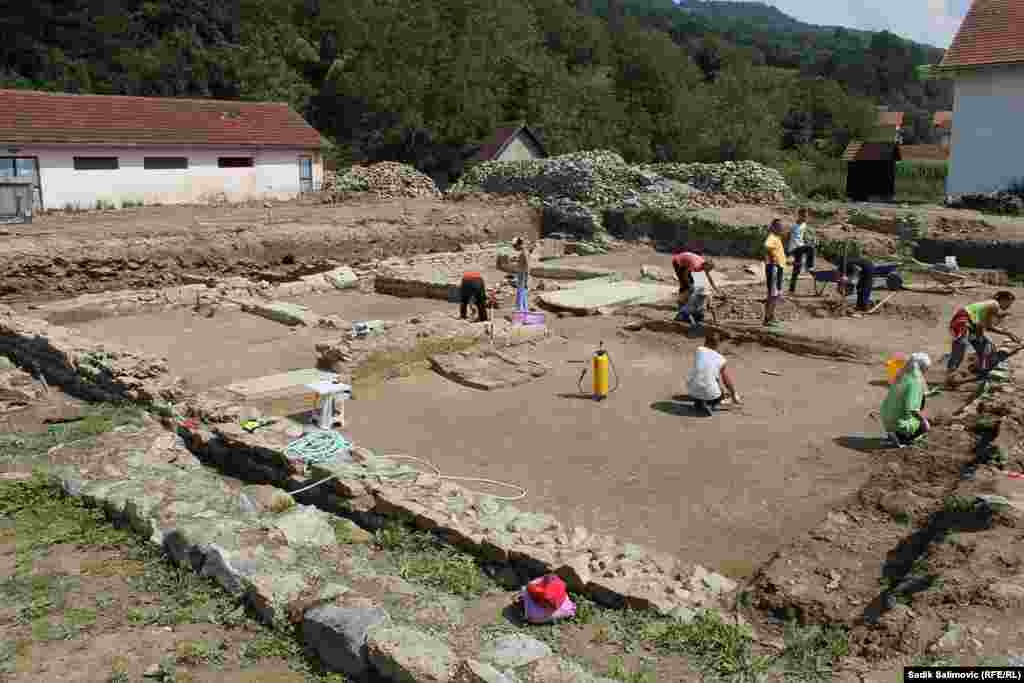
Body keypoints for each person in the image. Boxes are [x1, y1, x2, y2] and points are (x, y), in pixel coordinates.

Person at [946, 291, 1019, 385]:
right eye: (1009, 303)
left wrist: (1001, 321)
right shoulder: (994, 304)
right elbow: (989, 326)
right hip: (963, 319)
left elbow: (985, 325)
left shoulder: (991, 307)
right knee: (961, 344)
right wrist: (1008, 333)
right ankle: (951, 374)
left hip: (971, 324)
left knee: (985, 345)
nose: (1009, 306)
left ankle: (978, 370)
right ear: (1004, 300)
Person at [880, 352, 932, 447]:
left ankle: (895, 432)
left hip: (886, 417)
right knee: (924, 426)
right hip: (897, 422)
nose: (926, 371)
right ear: (922, 367)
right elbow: (912, 409)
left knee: (907, 414)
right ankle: (902, 438)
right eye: (926, 369)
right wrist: (924, 421)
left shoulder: (901, 375)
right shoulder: (915, 381)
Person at [687, 330, 741, 417]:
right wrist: (733, 394)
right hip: (711, 395)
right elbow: (726, 381)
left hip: (691, 391)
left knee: (700, 378)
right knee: (718, 388)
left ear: (705, 341)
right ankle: (714, 402)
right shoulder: (721, 359)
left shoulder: (699, 350)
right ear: (718, 344)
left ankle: (700, 401)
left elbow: (707, 361)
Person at [671, 251, 723, 324]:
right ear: (706, 265)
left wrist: (717, 289)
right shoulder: (696, 266)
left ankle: (683, 303)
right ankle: (681, 303)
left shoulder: (704, 266)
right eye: (709, 268)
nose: (709, 270)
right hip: (678, 261)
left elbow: (709, 278)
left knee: (690, 286)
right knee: (685, 284)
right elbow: (685, 274)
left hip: (687, 261)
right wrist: (688, 286)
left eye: (711, 269)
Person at [763, 220, 786, 326]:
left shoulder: (777, 238)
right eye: (780, 227)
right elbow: (767, 247)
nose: (782, 229)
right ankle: (768, 318)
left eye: (782, 227)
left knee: (775, 294)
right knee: (773, 294)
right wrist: (773, 260)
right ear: (774, 227)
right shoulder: (771, 237)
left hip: (778, 267)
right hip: (773, 268)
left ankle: (771, 316)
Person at [787, 208, 816, 293]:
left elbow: (805, 236)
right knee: (810, 248)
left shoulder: (804, 225)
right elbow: (792, 238)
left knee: (796, 268)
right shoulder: (794, 226)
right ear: (799, 216)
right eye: (803, 216)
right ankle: (809, 266)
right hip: (794, 248)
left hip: (800, 248)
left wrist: (811, 240)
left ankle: (791, 289)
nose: (805, 218)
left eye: (806, 217)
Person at [514, 236, 531, 313]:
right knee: (522, 295)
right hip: (521, 276)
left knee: (521, 295)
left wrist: (527, 279)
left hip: (523, 277)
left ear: (519, 244)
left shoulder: (524, 253)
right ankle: (524, 312)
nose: (515, 248)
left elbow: (527, 266)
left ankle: (521, 313)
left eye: (515, 246)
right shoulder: (523, 252)